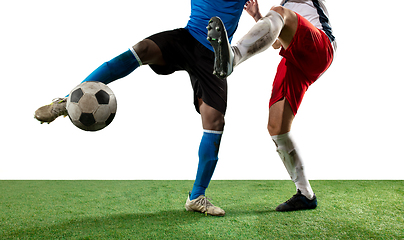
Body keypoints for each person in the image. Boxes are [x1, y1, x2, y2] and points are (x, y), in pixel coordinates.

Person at [34, 0, 250, 217]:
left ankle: (196, 197)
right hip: (188, 37)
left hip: (215, 55)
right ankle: (65, 101)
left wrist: (258, 15)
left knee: (214, 122)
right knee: (142, 49)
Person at [207, 0, 335, 211]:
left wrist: (273, 15)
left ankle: (233, 56)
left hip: (321, 48)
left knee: (279, 13)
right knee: (277, 128)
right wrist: (258, 16)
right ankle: (306, 194)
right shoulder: (283, 6)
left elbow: (283, 18)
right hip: (295, 58)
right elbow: (276, 43)